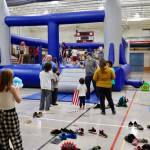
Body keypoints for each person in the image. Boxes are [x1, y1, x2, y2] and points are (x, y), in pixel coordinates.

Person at [0, 69, 23, 149]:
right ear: (10, 78)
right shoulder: (11, 88)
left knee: (3, 135)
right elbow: (18, 100)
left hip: (0, 113)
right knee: (14, 134)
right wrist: (17, 90)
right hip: (10, 114)